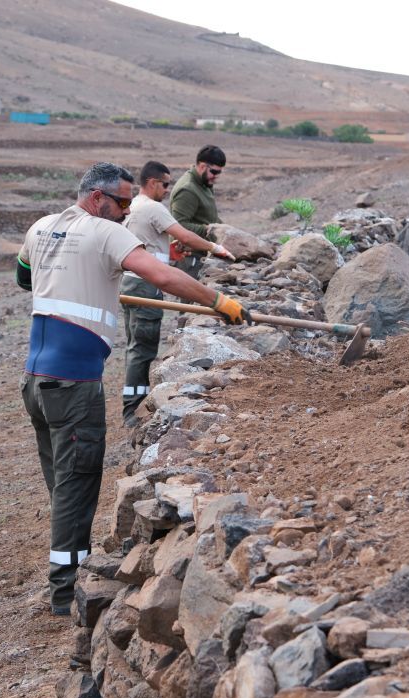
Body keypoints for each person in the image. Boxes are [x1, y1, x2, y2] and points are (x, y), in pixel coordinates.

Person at [15, 162, 251, 616]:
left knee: (62, 483)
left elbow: (25, 279)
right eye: (123, 203)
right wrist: (218, 301)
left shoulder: (41, 227)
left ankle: (70, 569)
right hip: (73, 384)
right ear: (97, 198)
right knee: (76, 485)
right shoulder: (107, 233)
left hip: (36, 382)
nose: (128, 211)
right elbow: (161, 277)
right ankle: (66, 595)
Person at [120, 160, 236, 425]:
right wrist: (215, 248)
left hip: (130, 282)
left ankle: (133, 402)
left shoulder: (133, 207)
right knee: (143, 348)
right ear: (151, 183)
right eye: (165, 184)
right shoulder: (152, 208)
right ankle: (132, 411)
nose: (167, 190)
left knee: (135, 345)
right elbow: (184, 235)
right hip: (145, 284)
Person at [169, 145, 227, 279]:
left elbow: (208, 216)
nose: (216, 177)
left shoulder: (204, 183)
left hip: (201, 252)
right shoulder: (188, 189)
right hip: (189, 257)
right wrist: (211, 230)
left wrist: (226, 229)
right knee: (186, 298)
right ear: (202, 166)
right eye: (214, 172)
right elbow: (179, 226)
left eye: (219, 172)